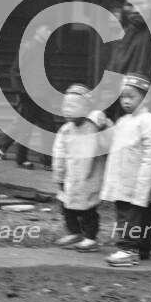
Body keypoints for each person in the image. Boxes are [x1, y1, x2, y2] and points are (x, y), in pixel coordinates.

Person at [100, 74, 151, 267]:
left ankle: (128, 249)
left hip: (137, 181)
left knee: (132, 217)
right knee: (127, 215)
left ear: (146, 98)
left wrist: (143, 184)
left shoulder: (150, 122)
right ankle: (141, 248)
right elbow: (112, 146)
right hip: (121, 180)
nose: (126, 101)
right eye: (122, 97)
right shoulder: (123, 121)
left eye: (131, 96)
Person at [52, 84, 110, 252]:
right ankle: (74, 232)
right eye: (65, 106)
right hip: (70, 177)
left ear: (87, 109)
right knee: (66, 207)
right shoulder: (65, 130)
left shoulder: (94, 127)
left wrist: (104, 123)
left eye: (73, 106)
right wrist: (59, 176)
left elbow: (108, 143)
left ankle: (90, 238)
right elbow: (59, 154)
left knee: (88, 210)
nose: (67, 110)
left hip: (90, 176)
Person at [0, 22, 56, 169]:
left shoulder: (41, 48)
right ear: (37, 31)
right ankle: (21, 159)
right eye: (46, 30)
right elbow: (15, 70)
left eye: (49, 30)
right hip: (30, 94)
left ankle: (47, 161)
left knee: (48, 127)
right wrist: (21, 91)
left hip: (42, 95)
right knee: (26, 128)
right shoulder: (29, 47)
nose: (48, 33)